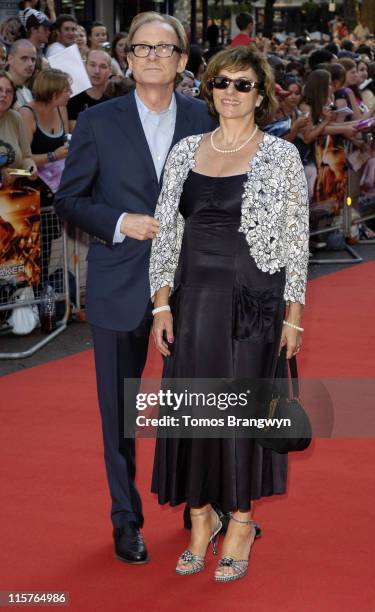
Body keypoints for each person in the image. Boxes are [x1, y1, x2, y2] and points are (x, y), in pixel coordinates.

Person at [54, 11, 215, 566]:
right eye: (142, 47)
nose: (151, 56)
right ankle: (126, 519)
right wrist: (122, 221)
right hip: (120, 281)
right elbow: (69, 199)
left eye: (163, 49)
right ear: (128, 57)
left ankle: (209, 506)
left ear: (182, 61)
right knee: (119, 412)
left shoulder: (205, 117)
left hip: (194, 284)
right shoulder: (98, 122)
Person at [150, 45, 309, 582]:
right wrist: (162, 304)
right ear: (210, 89)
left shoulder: (280, 155)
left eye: (244, 85)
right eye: (222, 82)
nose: (231, 93)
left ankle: (240, 520)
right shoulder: (185, 150)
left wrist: (294, 316)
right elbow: (168, 232)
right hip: (194, 300)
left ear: (259, 94)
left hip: (253, 302)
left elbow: (296, 241)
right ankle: (201, 517)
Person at [0, 70, 37, 186]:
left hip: (10, 196)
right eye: (0, 90)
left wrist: (30, 168)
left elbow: (26, 157)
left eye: (9, 91)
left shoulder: (15, 117)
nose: (4, 95)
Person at [67, 49, 112, 132]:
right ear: (85, 66)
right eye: (92, 65)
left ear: (110, 71)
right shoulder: (72, 99)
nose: (97, 71)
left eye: (103, 66)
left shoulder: (111, 104)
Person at [7, 39, 36, 107]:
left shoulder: (28, 92)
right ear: (10, 59)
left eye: (33, 59)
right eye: (24, 58)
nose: (30, 64)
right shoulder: (2, 88)